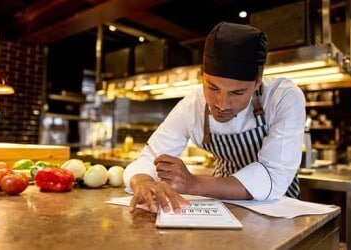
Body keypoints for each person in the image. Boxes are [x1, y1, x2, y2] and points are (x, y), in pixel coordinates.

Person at [123, 21, 306, 214]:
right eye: (212, 88)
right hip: (220, 203)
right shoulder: (192, 105)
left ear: (257, 83)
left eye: (237, 93)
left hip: (276, 208)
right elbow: (149, 158)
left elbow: (273, 177)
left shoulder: (283, 97)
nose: (221, 104)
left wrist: (193, 183)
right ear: (203, 77)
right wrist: (143, 182)